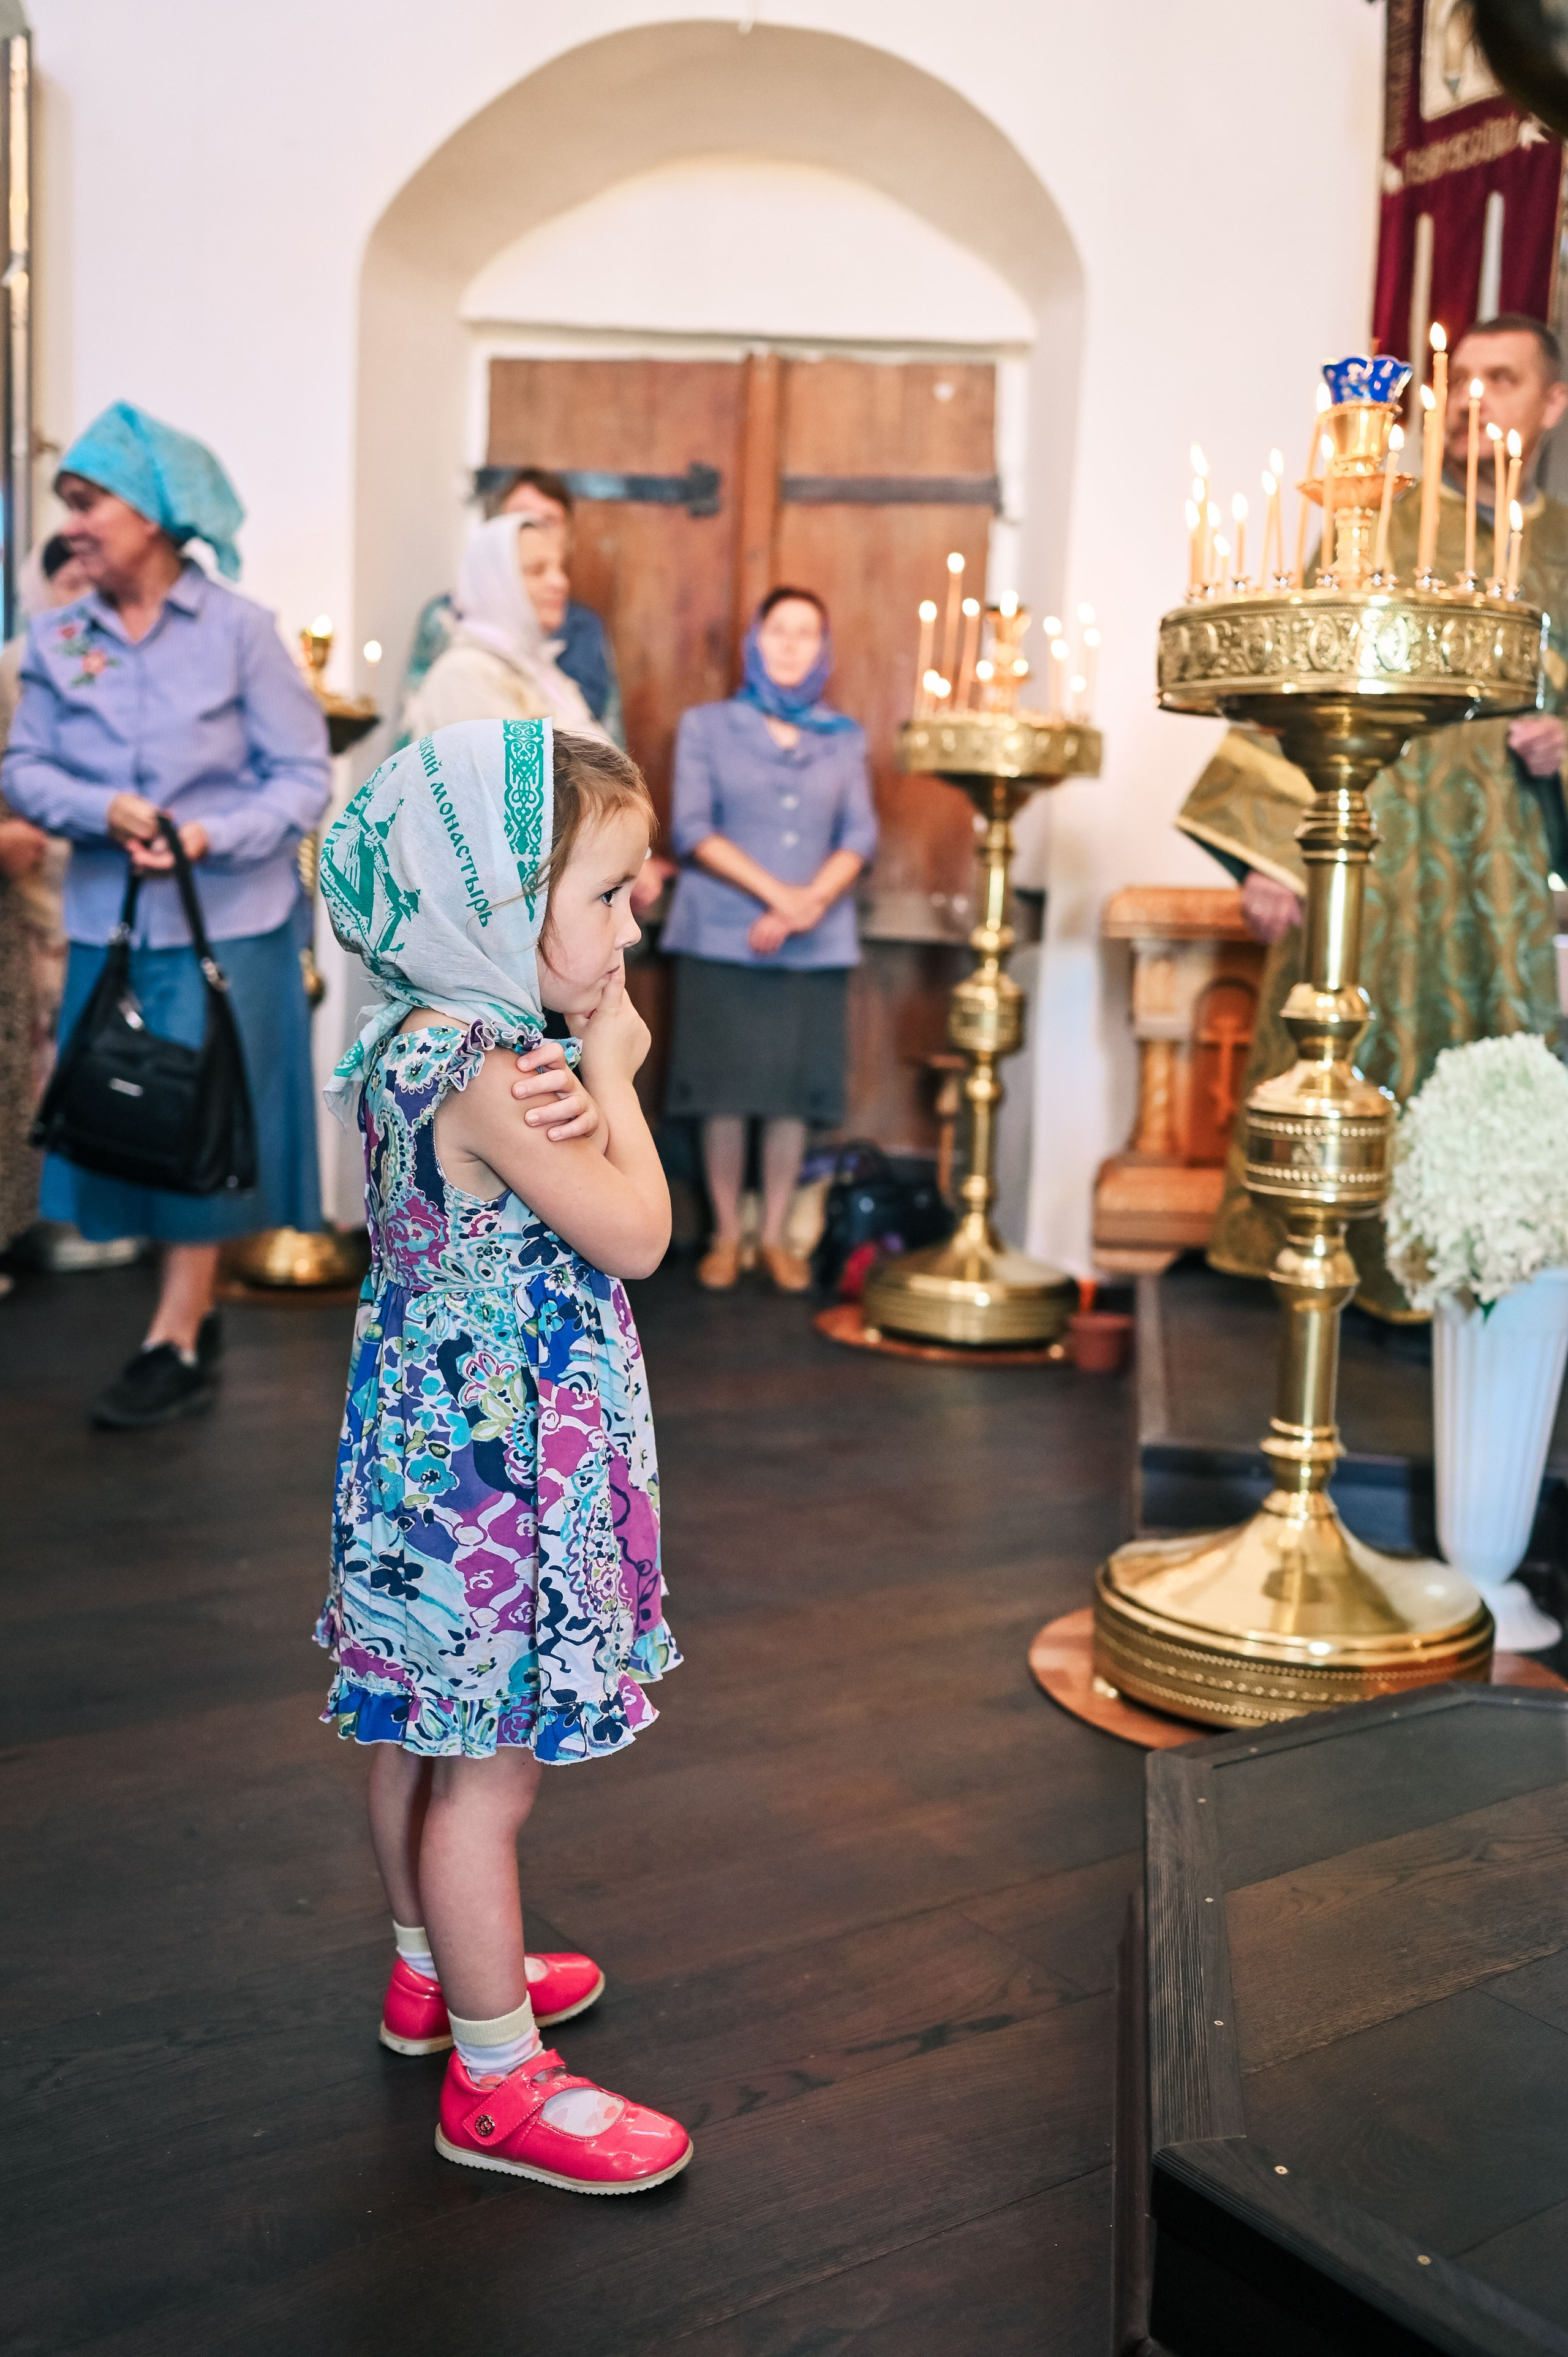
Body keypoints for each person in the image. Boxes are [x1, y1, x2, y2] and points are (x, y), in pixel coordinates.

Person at [315, 714, 690, 2195]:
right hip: (491, 1483)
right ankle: (492, 2072)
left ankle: (432, 1970)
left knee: (420, 1723)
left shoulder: (415, 1029)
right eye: (604, 894)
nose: (629, 922)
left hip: (418, 1453)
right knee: (490, 1774)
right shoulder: (500, 1065)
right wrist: (620, 1072)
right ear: (487, 900)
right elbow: (640, 1234)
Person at [1176, 314, 1568, 1318]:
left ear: (1553, 403)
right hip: (1366, 844)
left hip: (1510, 868)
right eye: (1461, 380)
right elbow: (1291, 676)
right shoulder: (1381, 518)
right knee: (1348, 1040)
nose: (1474, 399)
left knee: (1495, 1062)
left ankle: (1490, 1273)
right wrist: (1267, 853)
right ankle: (1324, 1266)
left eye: (1503, 378)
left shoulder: (1564, 545)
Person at [1, 401, 334, 1421]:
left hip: (230, 922)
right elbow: (24, 767)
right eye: (69, 503)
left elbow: (303, 779)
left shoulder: (244, 634)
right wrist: (102, 809)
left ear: (154, 511)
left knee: (202, 1123)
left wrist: (205, 833)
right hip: (111, 923)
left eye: (90, 500)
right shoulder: (58, 638)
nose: (75, 523)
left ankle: (175, 1337)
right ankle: (187, 1307)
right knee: (127, 1113)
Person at [662, 586, 878, 1292]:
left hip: (814, 937)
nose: (790, 645)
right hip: (723, 930)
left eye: (806, 633)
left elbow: (859, 835)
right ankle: (726, 1235)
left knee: (790, 1093)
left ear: (823, 648)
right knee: (725, 1088)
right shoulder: (708, 725)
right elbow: (693, 828)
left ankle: (779, 1235)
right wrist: (776, 896)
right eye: (778, 631)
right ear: (756, 640)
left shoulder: (843, 737)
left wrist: (805, 904)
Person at [0, 537, 95, 1291]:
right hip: (31, 889)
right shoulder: (12, 667)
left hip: (102, 888)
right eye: (69, 577)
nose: (83, 591)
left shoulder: (114, 670)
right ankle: (35, 1219)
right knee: (37, 1062)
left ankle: (86, 1214)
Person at [404, 466, 624, 744]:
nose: (559, 583)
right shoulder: (464, 673)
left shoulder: (538, 662)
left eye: (549, 520)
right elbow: (529, 777)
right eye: (536, 570)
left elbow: (604, 740)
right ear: (498, 575)